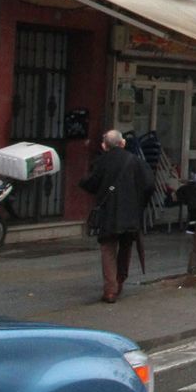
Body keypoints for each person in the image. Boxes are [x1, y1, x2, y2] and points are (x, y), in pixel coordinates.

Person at [80, 129, 153, 303]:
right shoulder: (136, 161)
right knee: (125, 246)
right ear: (123, 143)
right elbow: (149, 184)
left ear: (104, 146)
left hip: (109, 212)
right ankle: (120, 280)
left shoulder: (101, 162)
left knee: (108, 249)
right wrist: (138, 204)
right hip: (130, 213)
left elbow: (90, 183)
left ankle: (110, 289)